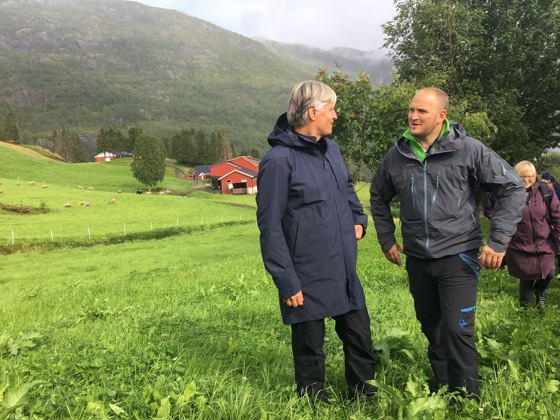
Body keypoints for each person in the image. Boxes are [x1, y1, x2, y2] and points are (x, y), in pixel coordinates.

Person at [370, 87, 525, 400]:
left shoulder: (469, 150)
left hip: (459, 255)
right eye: (411, 110)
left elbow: (512, 186)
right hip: (417, 257)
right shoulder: (397, 155)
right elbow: (378, 195)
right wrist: (386, 237)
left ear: (441, 116)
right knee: (432, 326)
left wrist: (498, 240)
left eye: (421, 111)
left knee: (457, 328)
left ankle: (466, 397)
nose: (413, 116)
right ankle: (444, 387)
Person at [256, 80, 377, 404]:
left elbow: (347, 189)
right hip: (305, 272)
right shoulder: (278, 161)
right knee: (309, 345)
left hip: (343, 266)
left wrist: (358, 219)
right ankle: (313, 400)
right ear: (312, 113)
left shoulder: (331, 150)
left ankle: (364, 395)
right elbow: (270, 226)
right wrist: (286, 280)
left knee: (360, 335)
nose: (335, 115)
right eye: (331, 109)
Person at [504, 161, 560, 309]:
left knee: (549, 273)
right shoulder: (508, 193)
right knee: (526, 277)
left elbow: (557, 216)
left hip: (544, 242)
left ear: (535, 176)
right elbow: (500, 218)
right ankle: (525, 311)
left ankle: (539, 291)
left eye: (530, 176)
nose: (526, 180)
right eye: (522, 176)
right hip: (521, 242)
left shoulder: (545, 190)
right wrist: (501, 243)